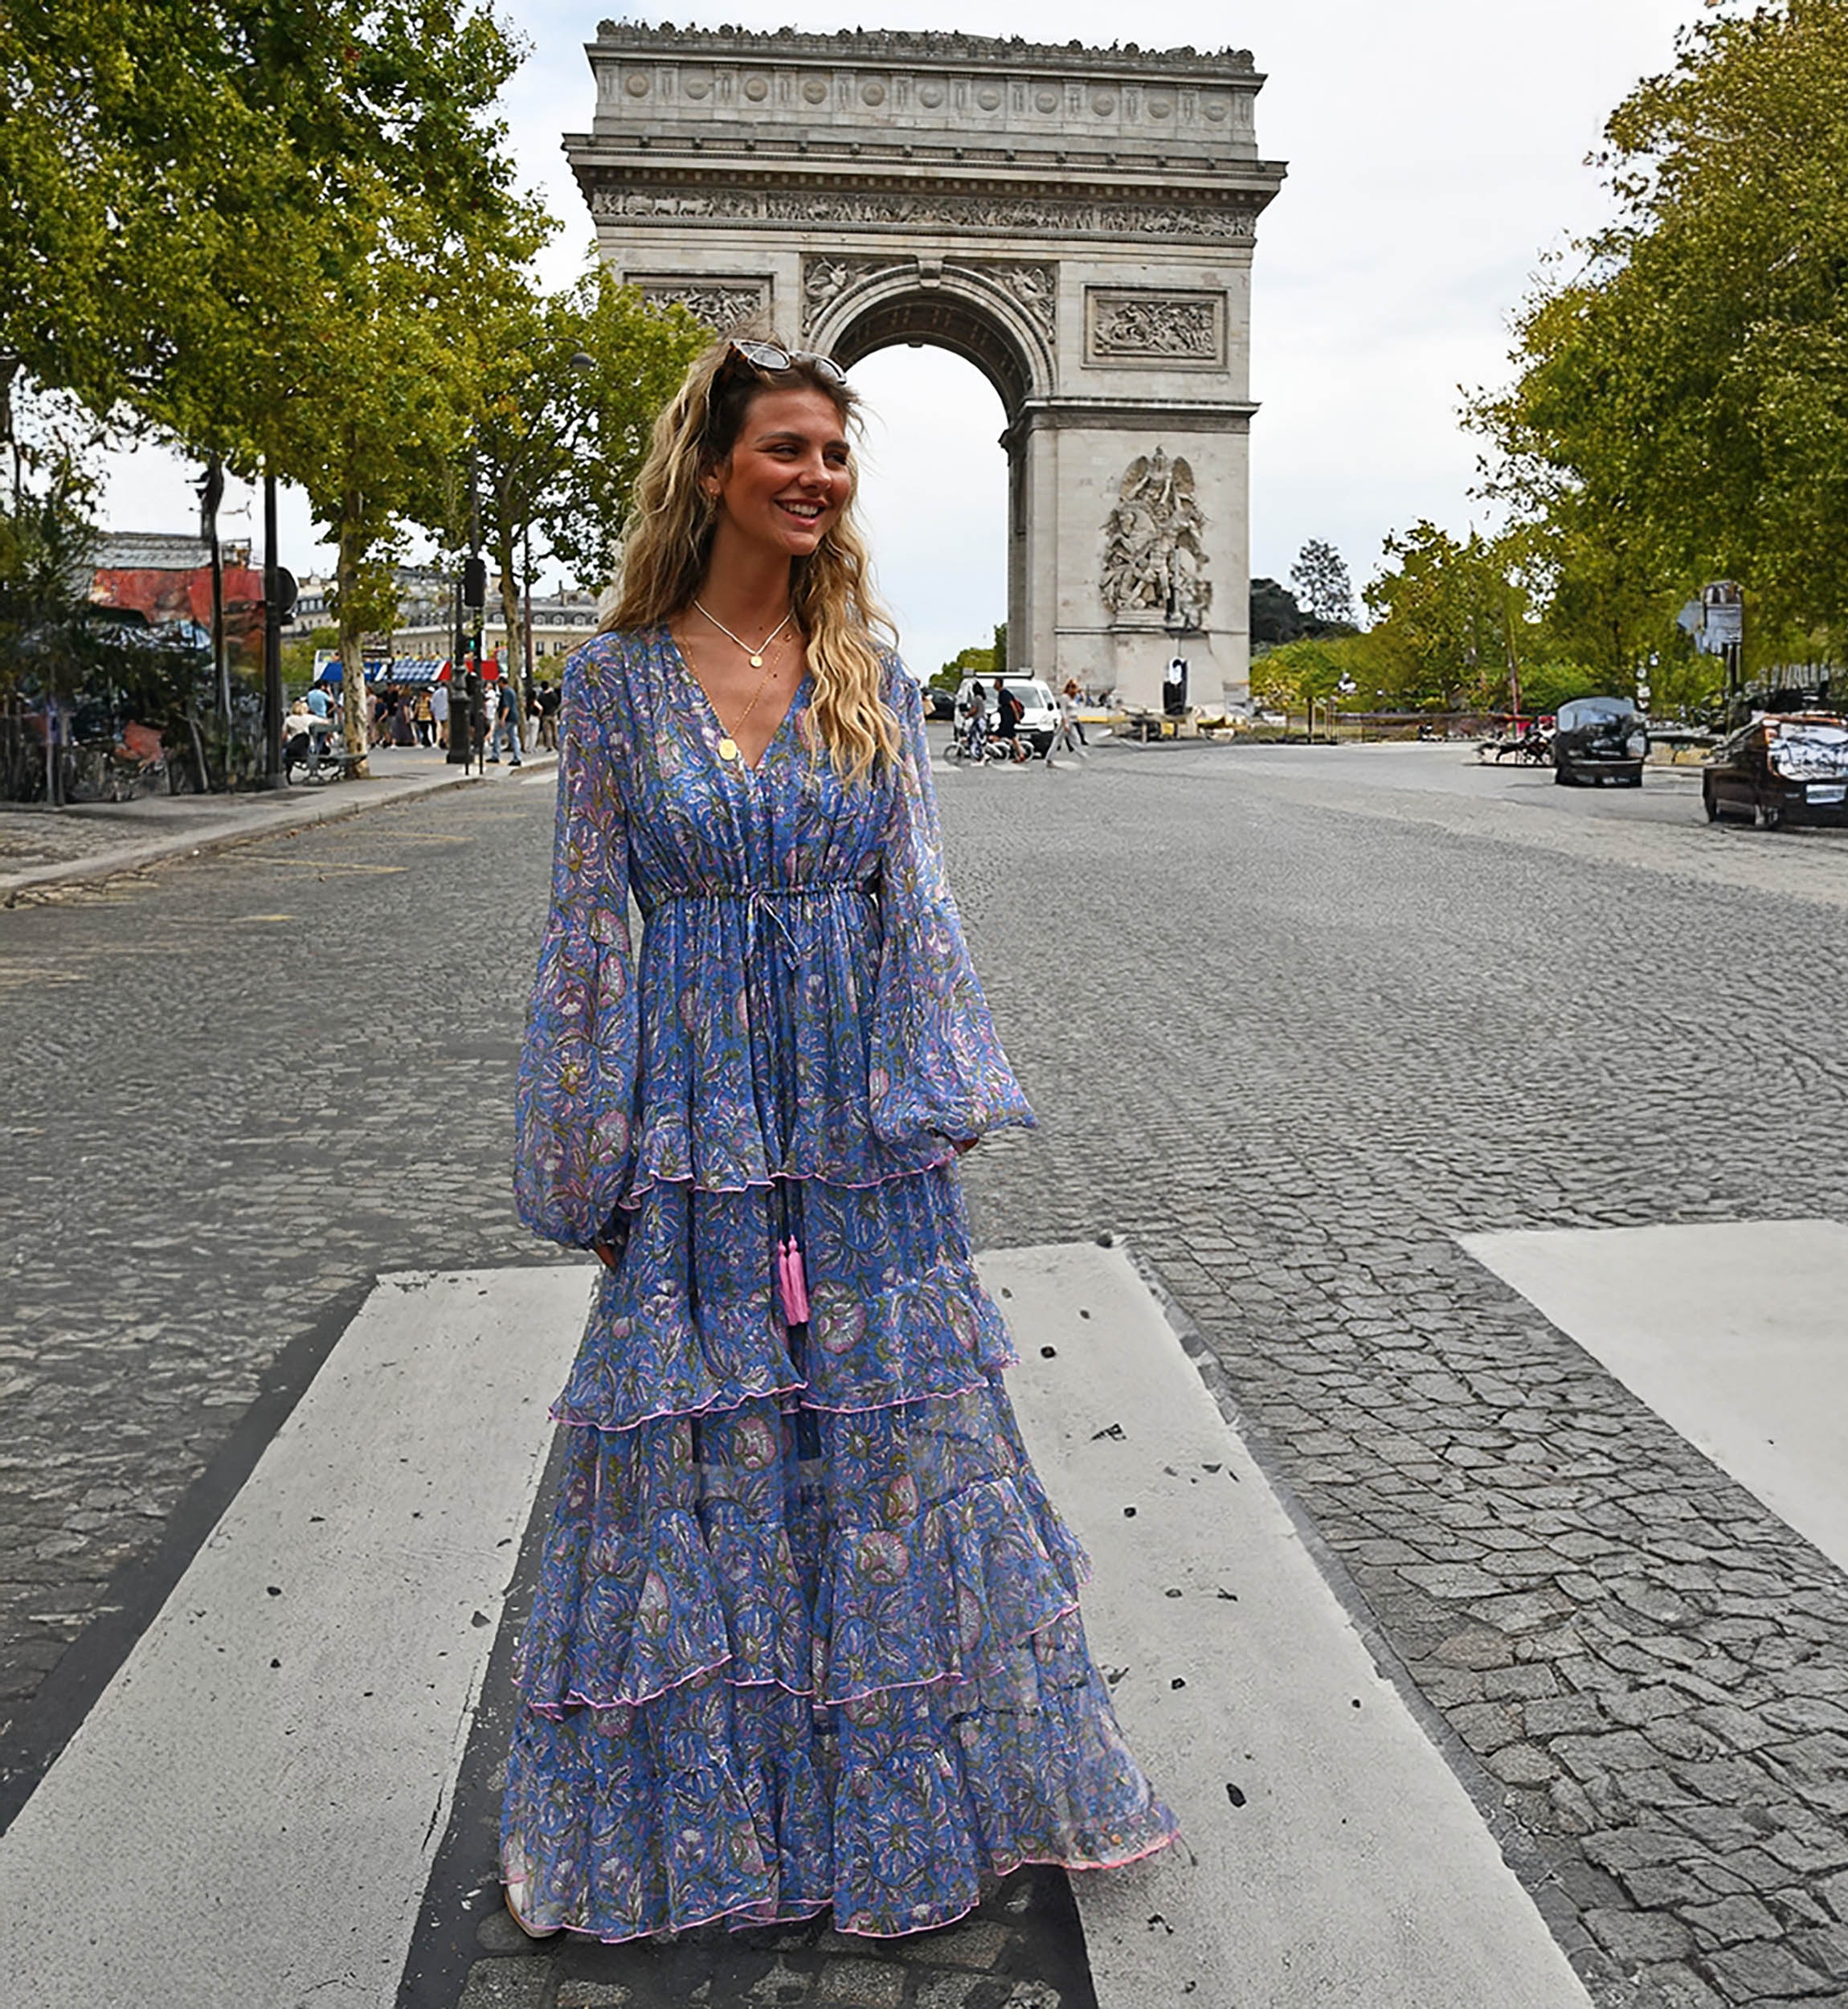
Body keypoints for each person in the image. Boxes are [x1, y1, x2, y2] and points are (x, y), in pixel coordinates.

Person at [502, 335, 1175, 1945]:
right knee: (706, 1446)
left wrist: (933, 1089)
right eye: (787, 448)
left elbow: (916, 896)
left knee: (877, 1453)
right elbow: (586, 929)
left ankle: (882, 1796)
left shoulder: (869, 664)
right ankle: (717, 1806)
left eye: (834, 452)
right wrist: (587, 1142)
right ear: (712, 466)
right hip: (702, 1123)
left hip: (855, 1121)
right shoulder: (611, 683)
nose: (818, 476)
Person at [1055, 677, 1089, 757]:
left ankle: (1081, 741)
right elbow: (1063, 710)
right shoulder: (1065, 697)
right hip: (1067, 718)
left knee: (1080, 729)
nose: (1073, 689)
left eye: (1074, 687)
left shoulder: (1076, 696)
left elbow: (1083, 700)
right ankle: (1066, 746)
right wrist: (1065, 720)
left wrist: (1082, 693)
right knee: (1064, 734)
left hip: (1074, 717)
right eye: (1071, 686)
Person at [431, 675, 450, 750]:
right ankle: (445, 741)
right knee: (446, 728)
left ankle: (437, 741)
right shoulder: (448, 693)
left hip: (438, 712)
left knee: (438, 727)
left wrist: (433, 711)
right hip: (447, 712)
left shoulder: (436, 693)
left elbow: (433, 704)